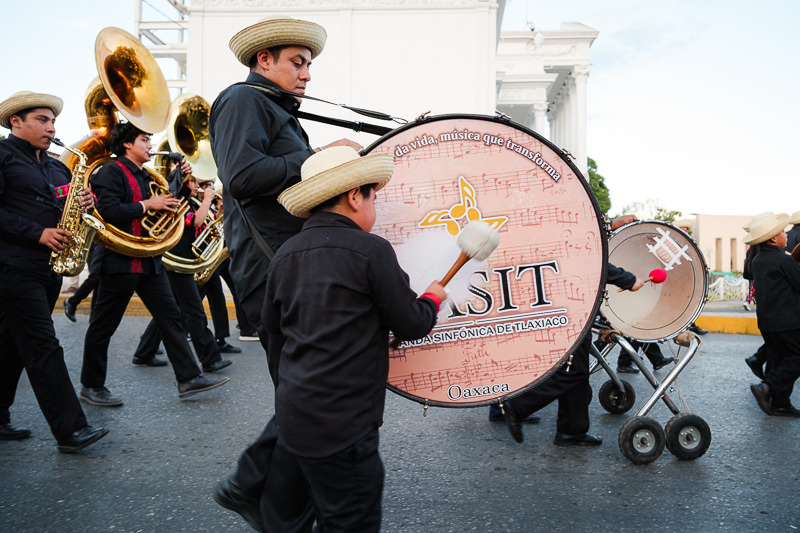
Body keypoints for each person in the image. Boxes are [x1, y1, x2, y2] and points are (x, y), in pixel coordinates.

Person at [209, 16, 363, 530]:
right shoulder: (242, 100)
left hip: (285, 260)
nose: (307, 75)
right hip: (270, 265)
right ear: (264, 60)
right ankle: (254, 487)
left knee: (307, 386)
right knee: (309, 388)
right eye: (298, 63)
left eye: (309, 64)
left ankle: (272, 498)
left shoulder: (271, 107)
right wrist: (315, 159)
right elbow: (243, 175)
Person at [260, 146, 446, 531]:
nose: (374, 207)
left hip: (295, 417)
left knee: (301, 515)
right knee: (349, 520)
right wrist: (432, 298)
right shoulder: (370, 250)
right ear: (353, 196)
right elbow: (411, 322)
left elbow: (272, 334)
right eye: (372, 196)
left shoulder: (285, 254)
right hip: (343, 425)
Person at [79, 121, 230, 407]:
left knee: (171, 318)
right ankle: (92, 385)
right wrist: (148, 206)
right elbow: (107, 211)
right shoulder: (110, 171)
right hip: (119, 262)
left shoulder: (145, 174)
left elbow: (169, 203)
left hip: (149, 260)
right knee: (103, 326)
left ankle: (188, 378)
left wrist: (181, 182)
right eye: (145, 140)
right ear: (127, 144)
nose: (150, 145)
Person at [0, 90, 108, 452]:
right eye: (42, 120)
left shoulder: (57, 164)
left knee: (11, 344)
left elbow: (64, 203)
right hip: (13, 266)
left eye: (52, 121)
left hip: (48, 267)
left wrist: (83, 201)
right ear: (16, 121)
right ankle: (71, 430)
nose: (51, 127)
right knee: (42, 344)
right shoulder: (2, 157)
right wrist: (38, 232)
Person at [502, 262, 645, 447]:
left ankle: (571, 430)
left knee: (578, 369)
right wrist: (628, 279)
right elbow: (589, 260)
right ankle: (519, 405)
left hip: (569, 305)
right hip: (568, 307)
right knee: (574, 371)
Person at [131, 173, 233, 372]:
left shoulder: (192, 201)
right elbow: (195, 222)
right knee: (194, 311)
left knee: (170, 311)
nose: (197, 186)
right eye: (193, 181)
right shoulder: (179, 201)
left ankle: (144, 352)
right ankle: (210, 359)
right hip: (177, 262)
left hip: (182, 261)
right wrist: (208, 200)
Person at [746, 212, 800, 417]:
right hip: (788, 320)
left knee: (778, 360)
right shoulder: (783, 261)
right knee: (796, 357)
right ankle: (767, 387)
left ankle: (781, 403)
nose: (786, 236)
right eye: (782, 233)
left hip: (767, 321)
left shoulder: (758, 260)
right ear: (773, 238)